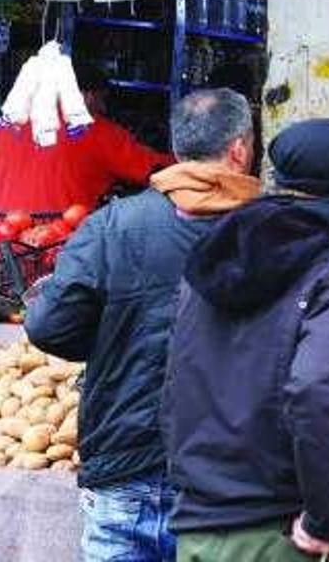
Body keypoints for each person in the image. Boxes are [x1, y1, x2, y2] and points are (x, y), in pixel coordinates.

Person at [25, 88, 259, 562]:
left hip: (122, 468)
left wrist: (115, 337)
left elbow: (48, 325)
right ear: (239, 150)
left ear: (176, 150)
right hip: (225, 482)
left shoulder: (113, 225)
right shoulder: (271, 231)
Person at [163, 119, 329, 561]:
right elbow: (321, 393)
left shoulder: (211, 260)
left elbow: (174, 382)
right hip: (277, 534)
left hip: (198, 530)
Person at [0, 64, 173, 213]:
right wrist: (191, 161)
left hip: (5, 241)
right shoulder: (98, 131)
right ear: (87, 96)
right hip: (61, 243)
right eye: (102, 100)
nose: (103, 108)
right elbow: (155, 170)